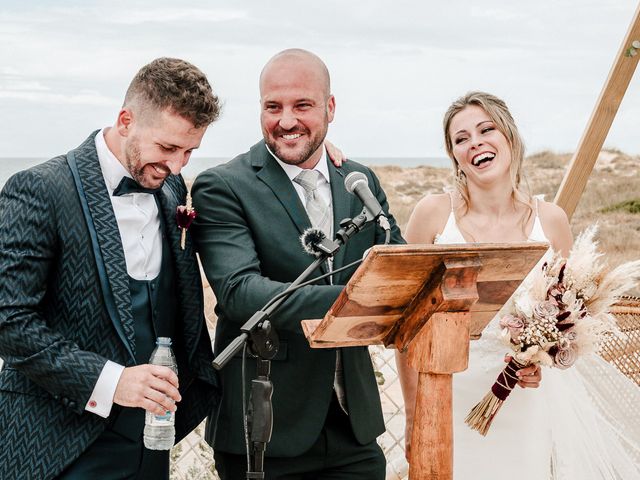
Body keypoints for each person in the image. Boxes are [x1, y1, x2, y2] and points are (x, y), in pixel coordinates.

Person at [396, 91, 640, 479]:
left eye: (485, 129)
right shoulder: (433, 216)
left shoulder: (552, 221)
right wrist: (414, 415)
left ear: (508, 136)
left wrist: (544, 363)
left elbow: (569, 327)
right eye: (461, 139)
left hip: (528, 405)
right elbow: (405, 331)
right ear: (455, 155)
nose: (474, 142)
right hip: (447, 398)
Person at [0, 57, 221, 479]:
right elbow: (9, 321)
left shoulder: (170, 184)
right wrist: (112, 382)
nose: (178, 166)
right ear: (125, 120)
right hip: (59, 444)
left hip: (151, 441)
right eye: (168, 148)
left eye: (190, 151)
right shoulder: (40, 190)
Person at [191, 48, 404, 479]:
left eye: (302, 105)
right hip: (264, 429)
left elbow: (395, 268)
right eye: (273, 106)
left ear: (330, 108)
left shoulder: (359, 180)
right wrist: (356, 298)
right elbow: (239, 293)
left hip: (354, 430)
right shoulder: (224, 186)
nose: (286, 121)